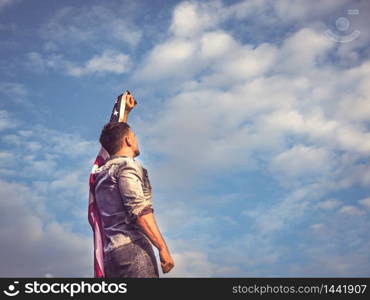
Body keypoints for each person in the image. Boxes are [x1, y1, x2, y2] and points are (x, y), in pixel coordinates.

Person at [94, 113, 174, 278]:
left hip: (111, 256)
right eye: (134, 136)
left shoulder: (101, 173)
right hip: (133, 250)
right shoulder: (127, 166)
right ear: (128, 140)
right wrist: (162, 247)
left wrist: (124, 112)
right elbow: (139, 210)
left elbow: (113, 138)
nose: (136, 140)